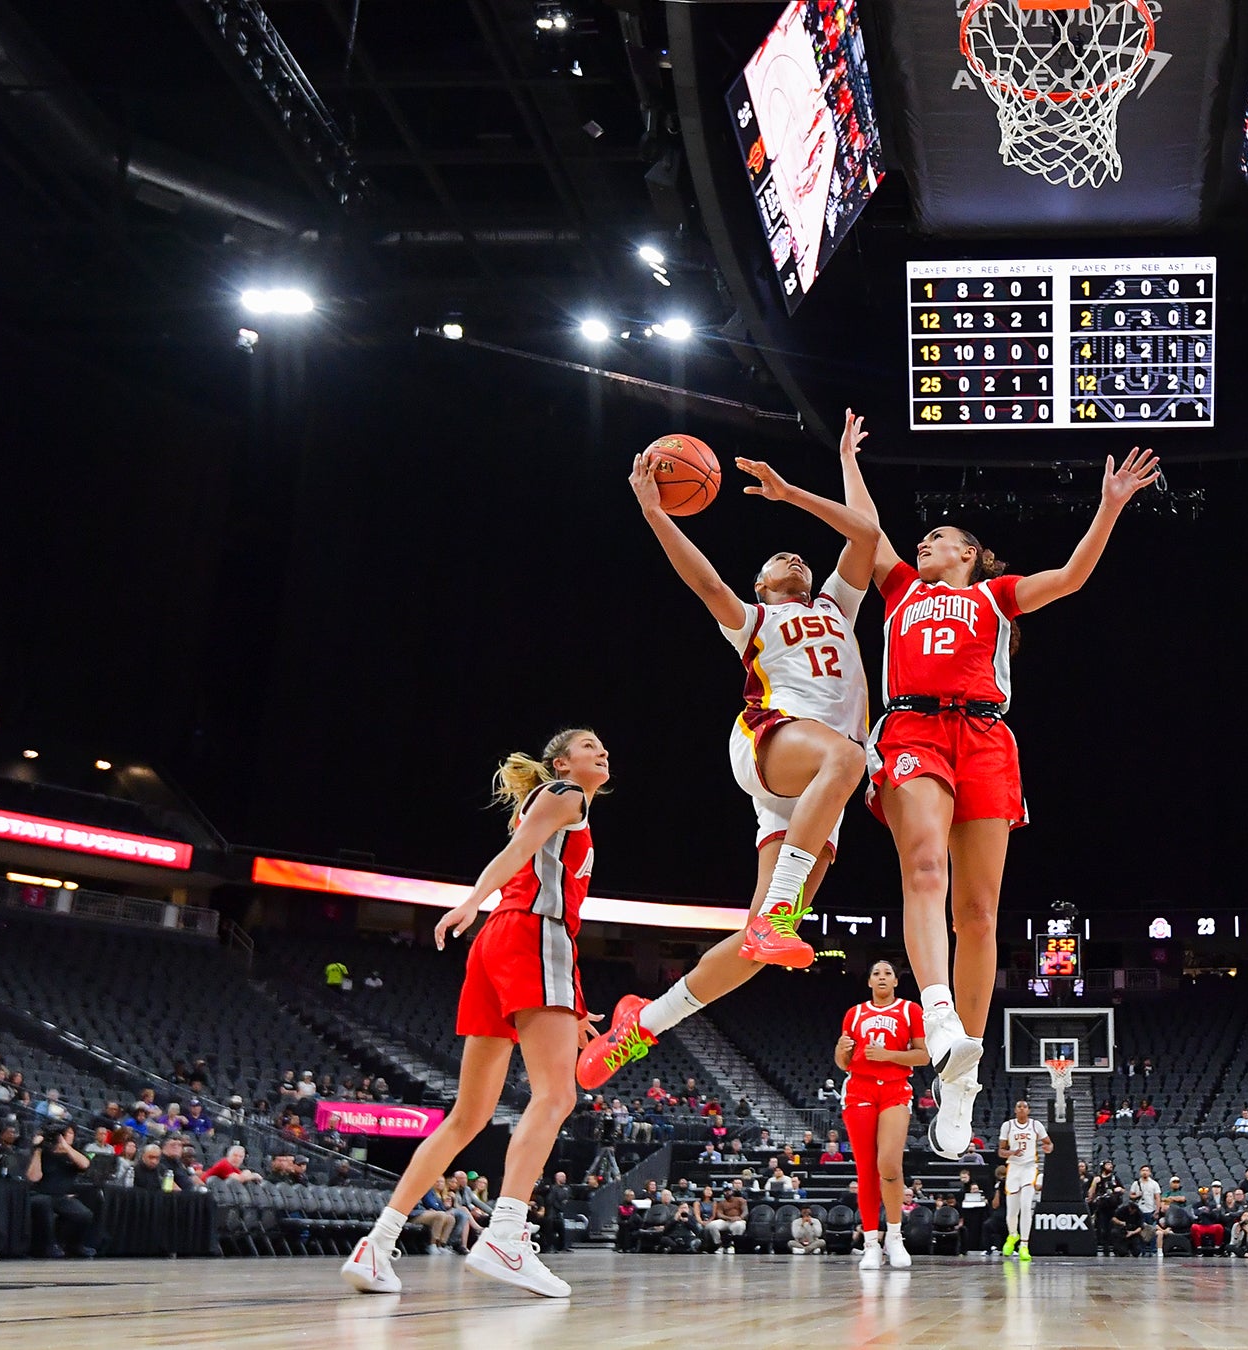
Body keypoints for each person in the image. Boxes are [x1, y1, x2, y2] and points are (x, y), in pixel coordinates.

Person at [843, 439, 1163, 1158]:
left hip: (986, 738)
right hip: (913, 727)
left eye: (938, 538)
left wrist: (1109, 507)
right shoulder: (900, 589)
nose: (923, 542)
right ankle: (937, 1015)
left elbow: (1075, 576)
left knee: (980, 914)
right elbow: (865, 529)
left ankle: (963, 1079)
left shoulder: (995, 594)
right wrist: (850, 460)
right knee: (925, 867)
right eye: (921, 537)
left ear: (970, 554)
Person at [578, 422, 879, 1090]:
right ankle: (777, 916)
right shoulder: (753, 619)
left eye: (800, 558)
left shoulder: (838, 604)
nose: (794, 559)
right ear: (763, 583)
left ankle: (641, 1026)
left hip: (814, 791)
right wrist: (655, 513)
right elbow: (706, 582)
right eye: (779, 560)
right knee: (848, 761)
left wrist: (797, 489)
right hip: (775, 740)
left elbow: (864, 534)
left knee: (755, 949)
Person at [339, 730, 610, 1299]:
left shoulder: (555, 802)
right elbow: (515, 859)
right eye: (590, 745)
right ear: (561, 763)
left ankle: (377, 1244)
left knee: (468, 1116)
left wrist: (571, 1007)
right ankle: (506, 1234)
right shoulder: (567, 795)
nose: (602, 751)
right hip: (534, 935)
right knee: (556, 1095)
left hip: (501, 947)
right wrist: (470, 899)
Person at [835, 959, 927, 1269]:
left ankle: (895, 1235)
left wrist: (888, 1055)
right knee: (866, 1169)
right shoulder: (855, 1013)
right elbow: (843, 1062)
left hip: (894, 1088)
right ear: (870, 982)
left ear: (896, 982)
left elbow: (923, 1055)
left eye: (888, 973)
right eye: (876, 973)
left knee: (888, 1162)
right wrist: (841, 1048)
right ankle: (871, 1242)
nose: (882, 977)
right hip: (859, 1090)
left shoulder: (909, 1010)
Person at [998, 1098, 1050, 1261]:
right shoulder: (1008, 1126)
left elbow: (1048, 1143)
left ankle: (1024, 1246)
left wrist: (1048, 1148)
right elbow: (1001, 1151)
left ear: (1028, 1110)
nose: (1021, 1109)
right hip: (1013, 1168)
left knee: (1026, 1206)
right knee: (1012, 1211)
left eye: (1024, 1106)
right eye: (1018, 1106)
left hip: (1029, 1167)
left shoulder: (1036, 1125)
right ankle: (1013, 1235)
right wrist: (1011, 1152)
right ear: (1015, 1110)